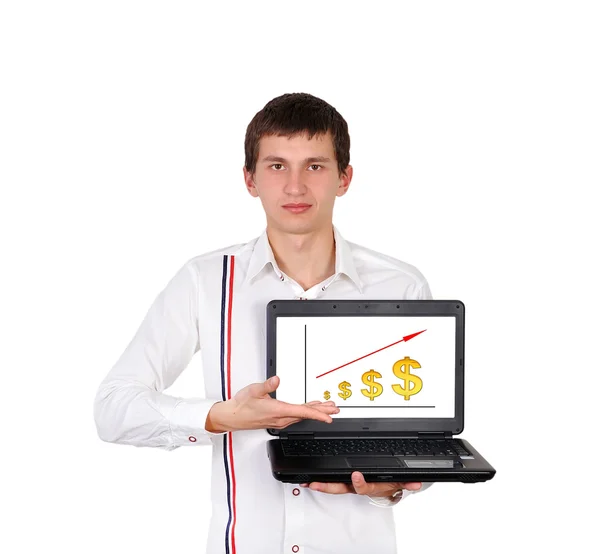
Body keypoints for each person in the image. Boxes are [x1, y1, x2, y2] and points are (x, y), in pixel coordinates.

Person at [94, 92, 434, 554]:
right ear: (250, 179)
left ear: (344, 178)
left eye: (314, 166)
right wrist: (219, 417)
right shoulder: (205, 280)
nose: (295, 187)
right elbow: (114, 409)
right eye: (277, 166)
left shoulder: (400, 285)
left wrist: (388, 487)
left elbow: (422, 436)